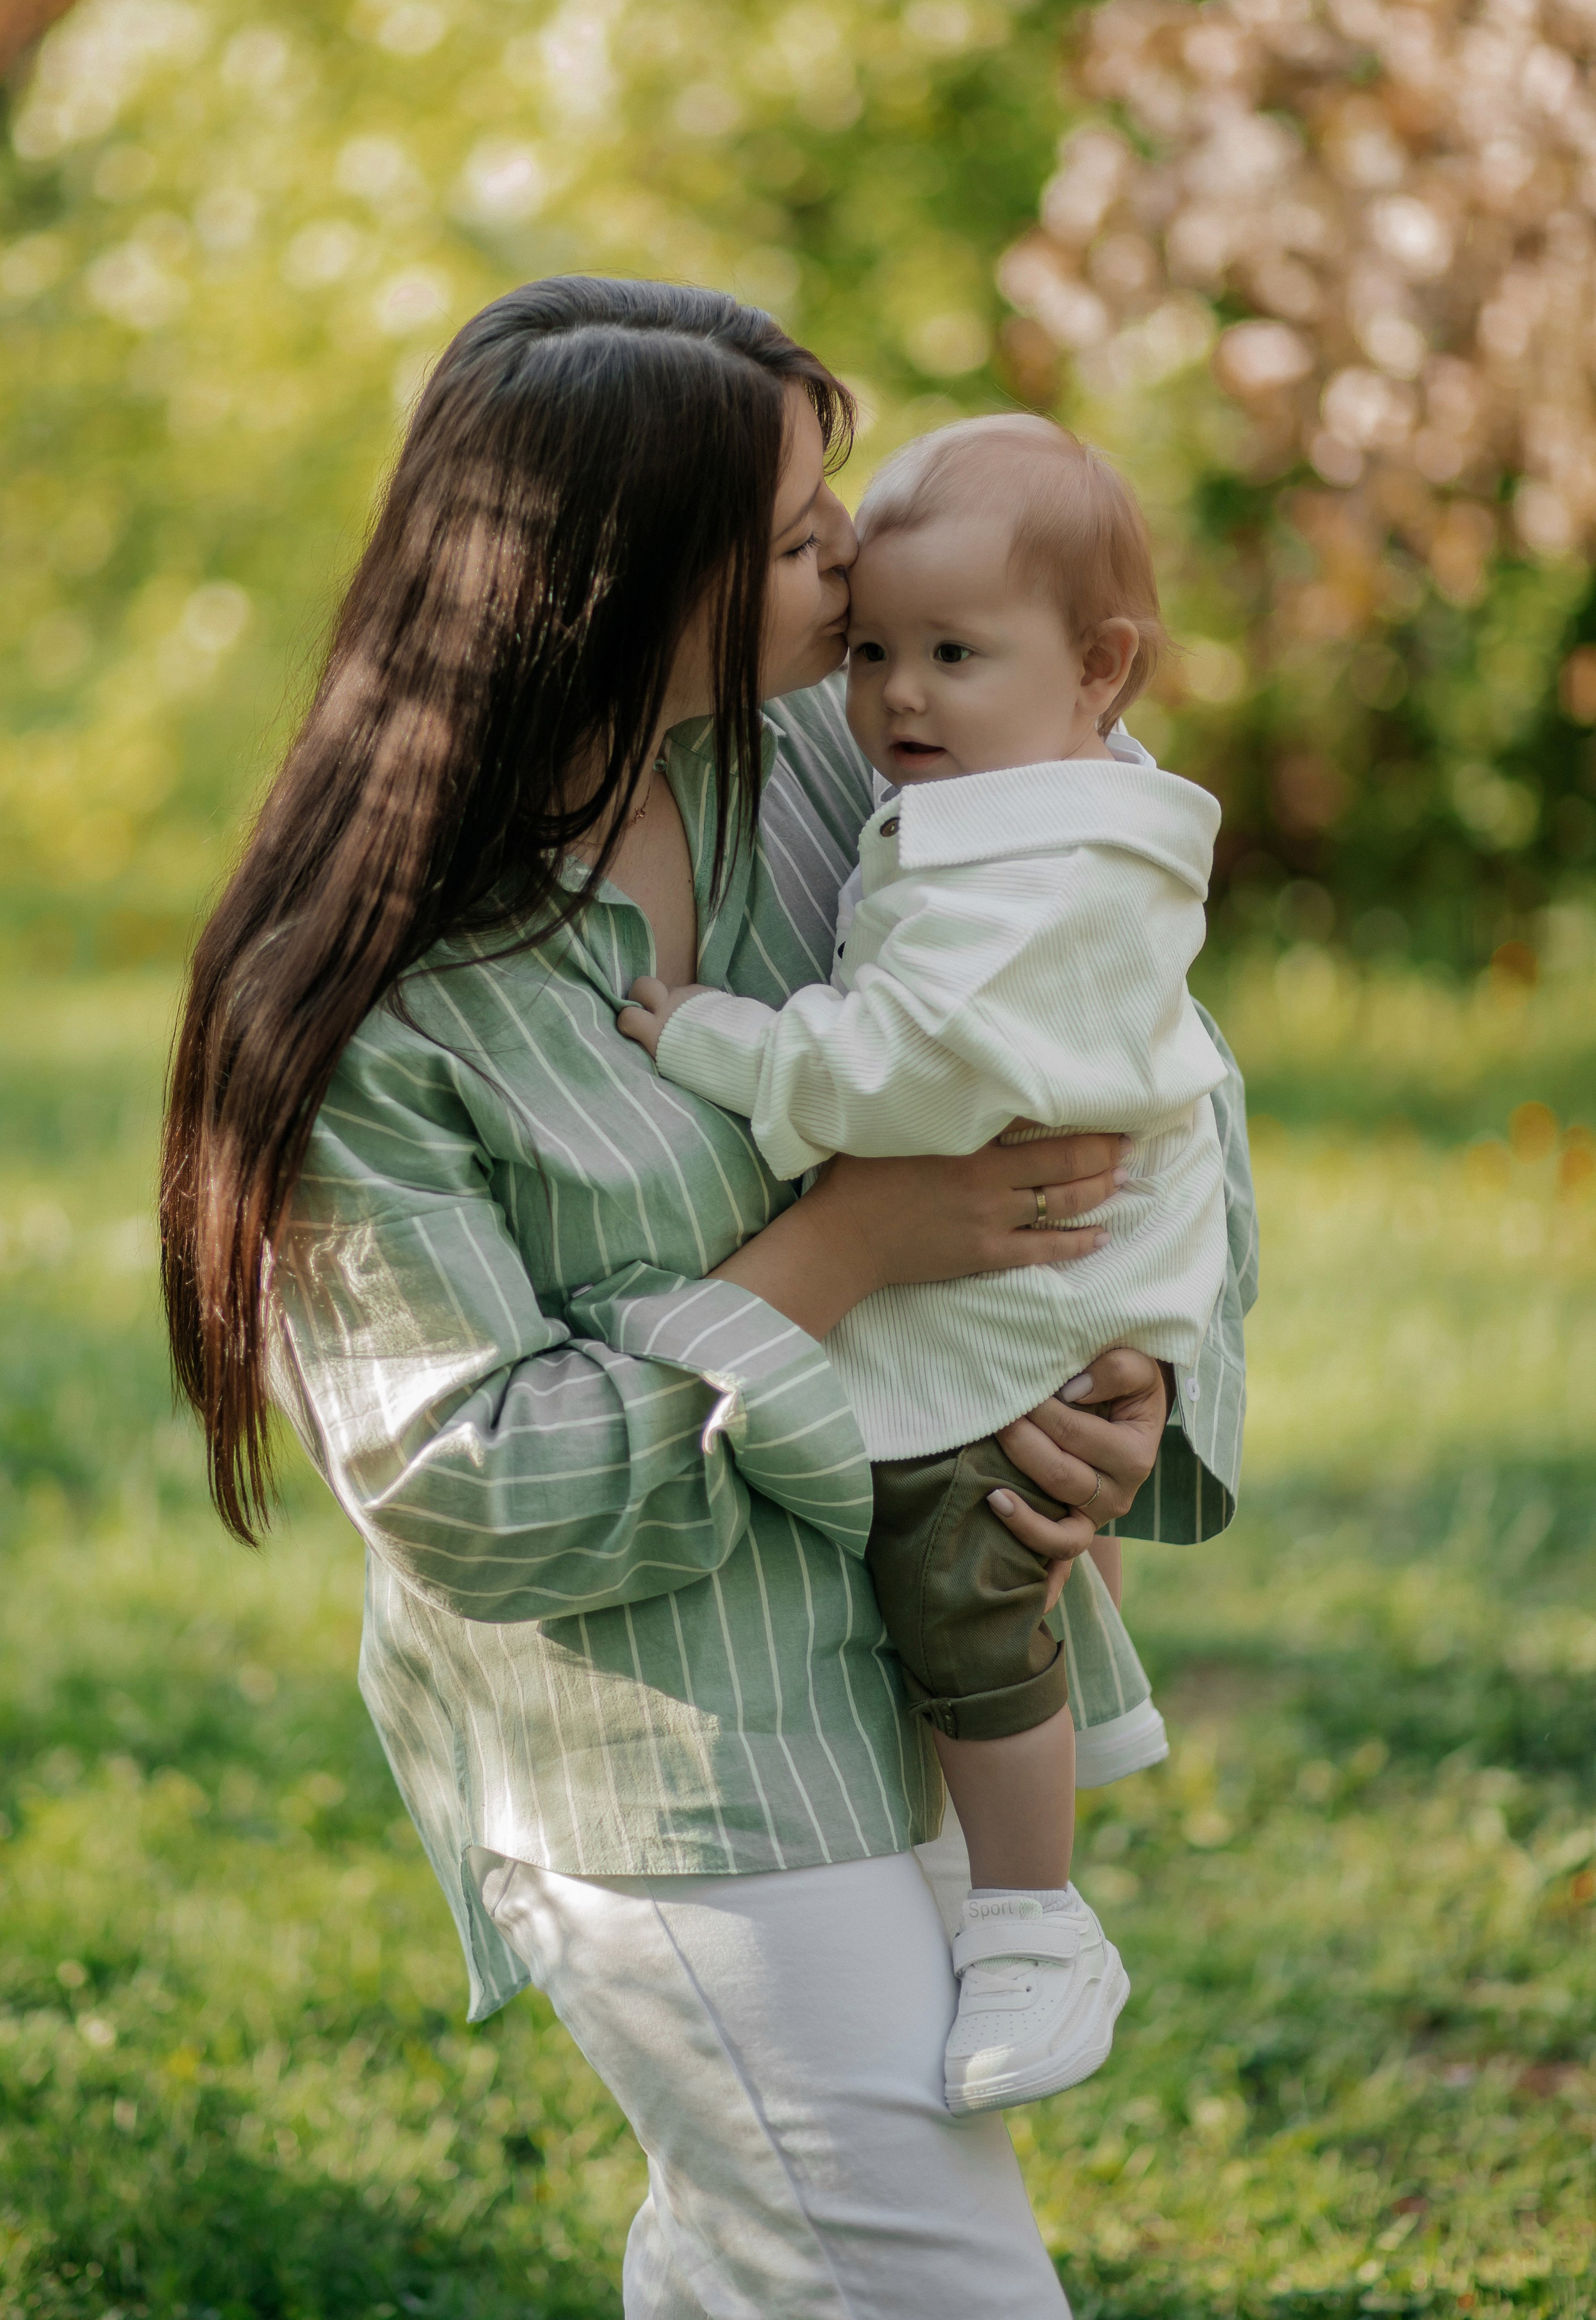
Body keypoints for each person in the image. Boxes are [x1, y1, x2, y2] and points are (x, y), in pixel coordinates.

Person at [160, 278, 1254, 2318]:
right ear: (618, 583)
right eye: (797, 530)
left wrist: (1133, 1381)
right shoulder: (372, 1003)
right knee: (926, 2276)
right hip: (680, 1750)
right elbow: (484, 1491)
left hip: (924, 1656)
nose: (852, 557)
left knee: (783, 2257)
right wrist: (840, 1251)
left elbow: (1143, 1040)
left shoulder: (839, 764)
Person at [620, 415, 1233, 2119]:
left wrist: (725, 1040)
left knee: (960, 1551)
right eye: (873, 640)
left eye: (950, 654)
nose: (892, 690)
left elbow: (904, 1070)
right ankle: (1043, 1775)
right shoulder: (1026, 782)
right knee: (1016, 1537)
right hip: (1051, 1242)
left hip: (1039, 1259)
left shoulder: (1028, 852)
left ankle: (1036, 1917)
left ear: (1100, 669)